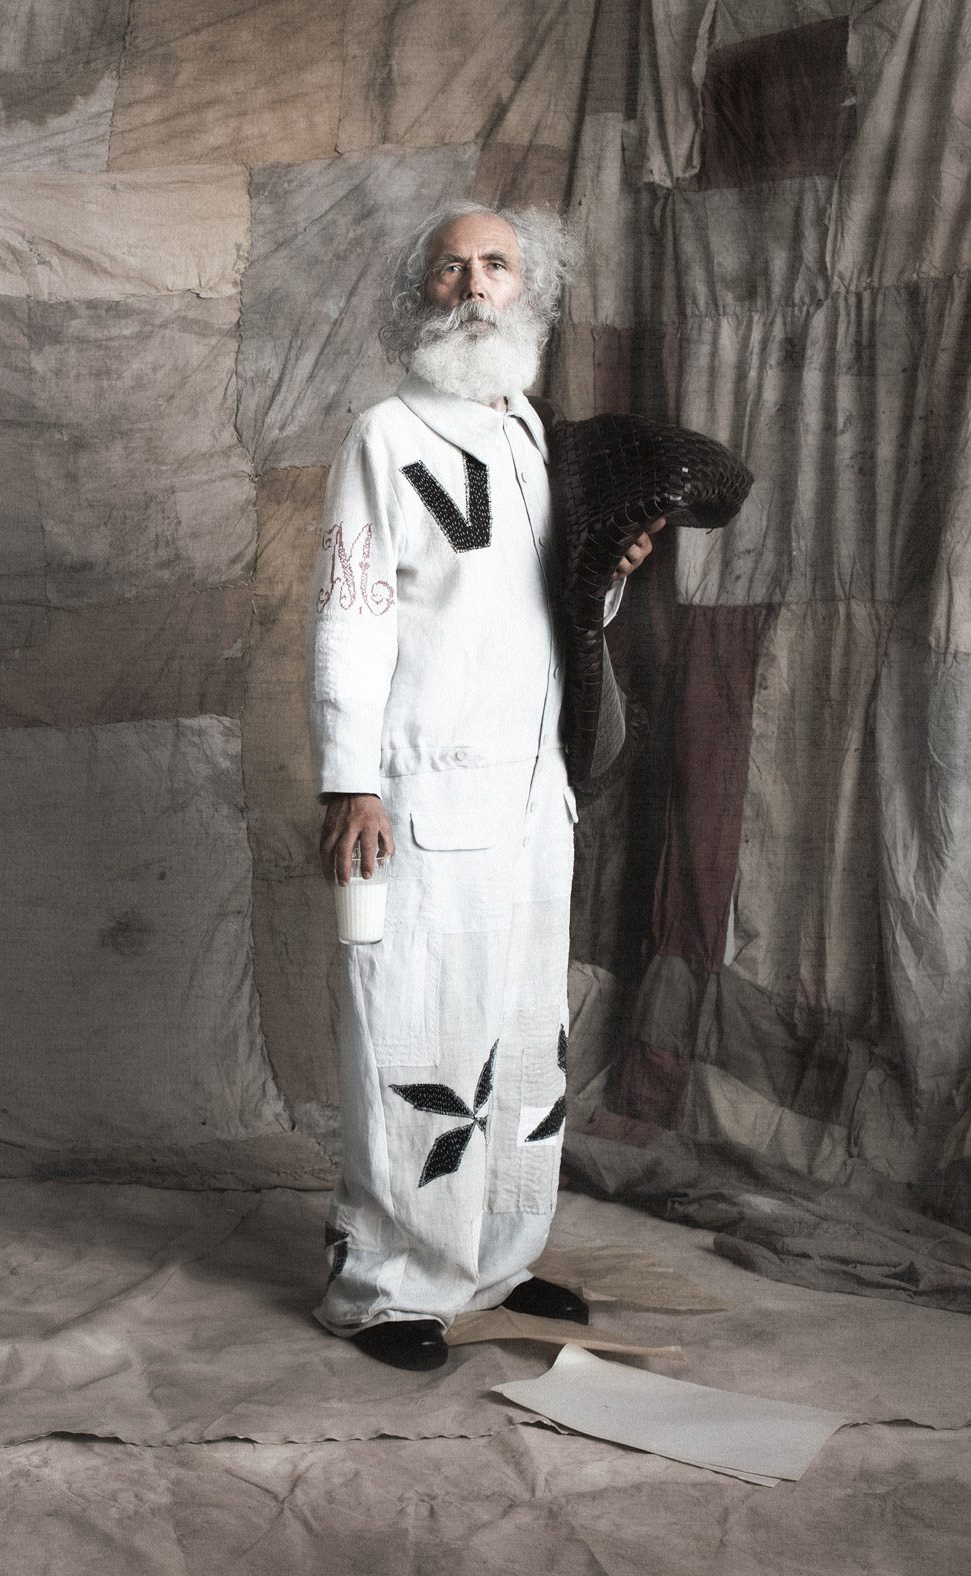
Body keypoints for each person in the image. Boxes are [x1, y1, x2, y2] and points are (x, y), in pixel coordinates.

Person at [304, 204, 661, 1371]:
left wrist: (607, 575)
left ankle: (496, 1261)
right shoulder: (386, 434)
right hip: (419, 796)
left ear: (529, 291)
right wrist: (349, 781)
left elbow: (550, 623)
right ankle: (388, 1283)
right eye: (452, 266)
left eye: (495, 264)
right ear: (423, 293)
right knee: (417, 1034)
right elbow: (352, 612)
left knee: (521, 1040)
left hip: (528, 801)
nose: (473, 284)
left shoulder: (534, 440)